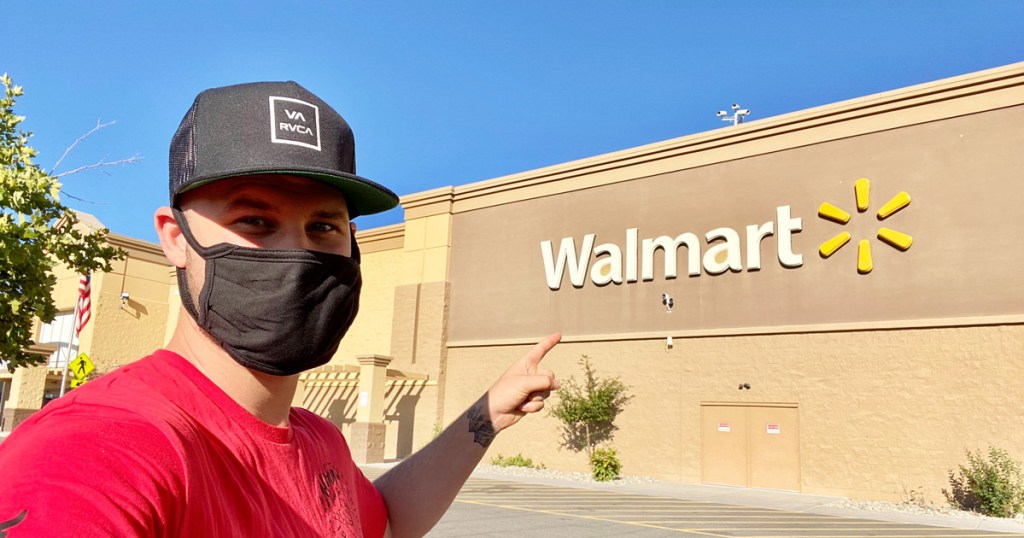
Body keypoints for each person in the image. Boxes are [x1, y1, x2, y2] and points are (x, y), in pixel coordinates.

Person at [0, 81, 560, 537]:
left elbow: (385, 523)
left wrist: (485, 416)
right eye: (255, 222)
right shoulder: (101, 448)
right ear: (174, 238)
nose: (297, 255)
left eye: (323, 226)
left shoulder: (319, 441)